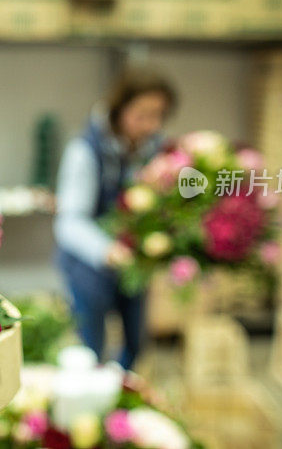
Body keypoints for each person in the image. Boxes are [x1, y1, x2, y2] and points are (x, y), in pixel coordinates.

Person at [54, 66, 177, 369]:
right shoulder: (84, 151)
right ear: (120, 109)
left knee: (136, 344)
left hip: (131, 267)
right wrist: (106, 250)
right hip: (89, 265)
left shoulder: (153, 150)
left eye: (158, 115)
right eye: (142, 114)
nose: (151, 124)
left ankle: (121, 397)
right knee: (91, 349)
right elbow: (68, 222)